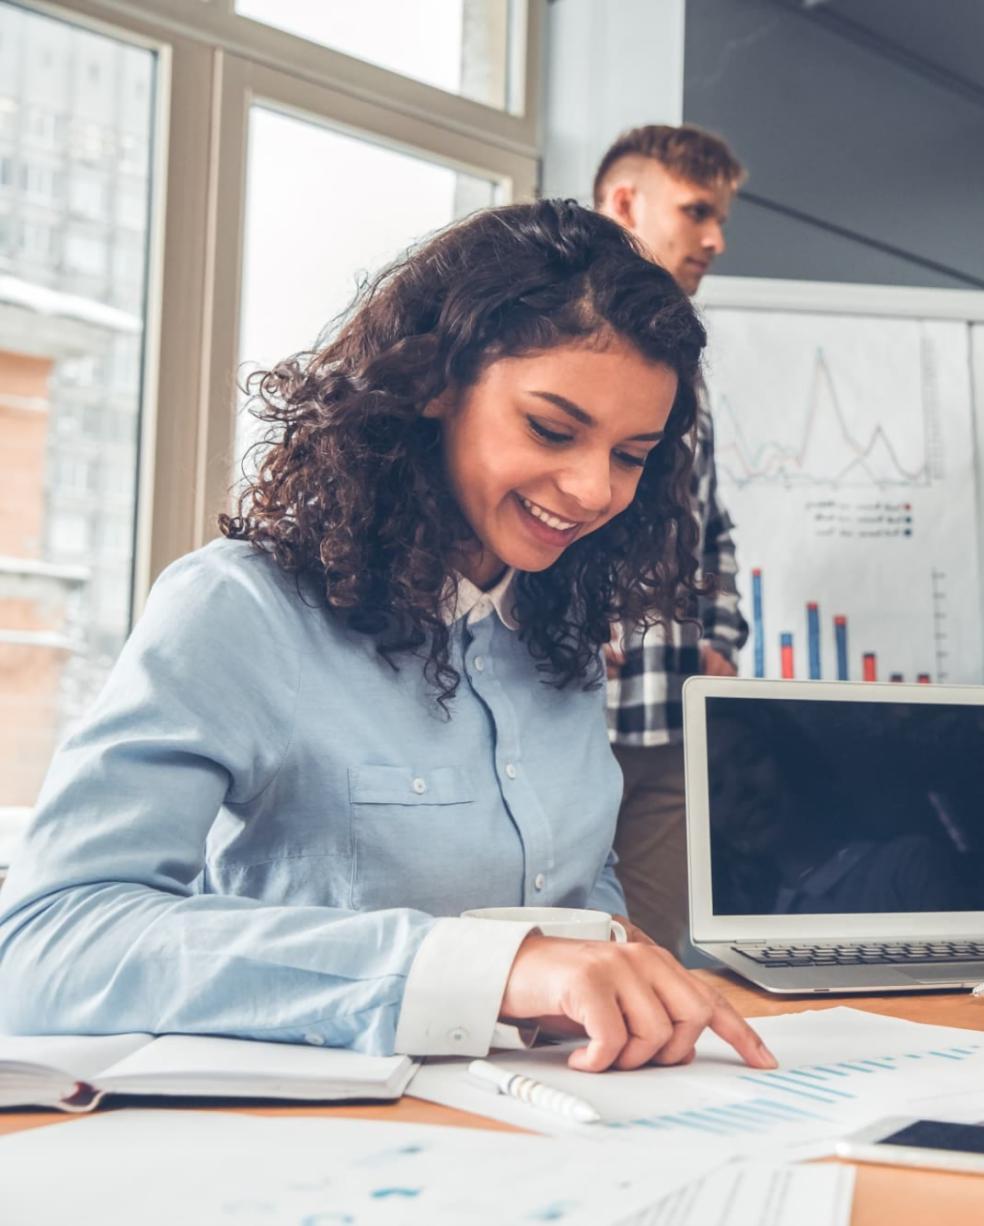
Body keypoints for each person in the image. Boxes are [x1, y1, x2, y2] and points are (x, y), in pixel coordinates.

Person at [0, 201, 775, 1077]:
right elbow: (44, 945)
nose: (595, 490)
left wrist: (613, 965)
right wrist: (494, 970)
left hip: (543, 1128)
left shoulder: (558, 629)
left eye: (632, 454)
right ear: (435, 385)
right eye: (552, 430)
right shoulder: (239, 610)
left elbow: (574, 898)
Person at [592, 124, 749, 956]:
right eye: (696, 212)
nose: (715, 239)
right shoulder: (548, 334)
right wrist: (568, 615)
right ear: (626, 202)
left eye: (719, 217)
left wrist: (721, 636)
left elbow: (710, 520)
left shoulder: (684, 360)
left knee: (656, 956)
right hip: (566, 706)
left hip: (671, 710)